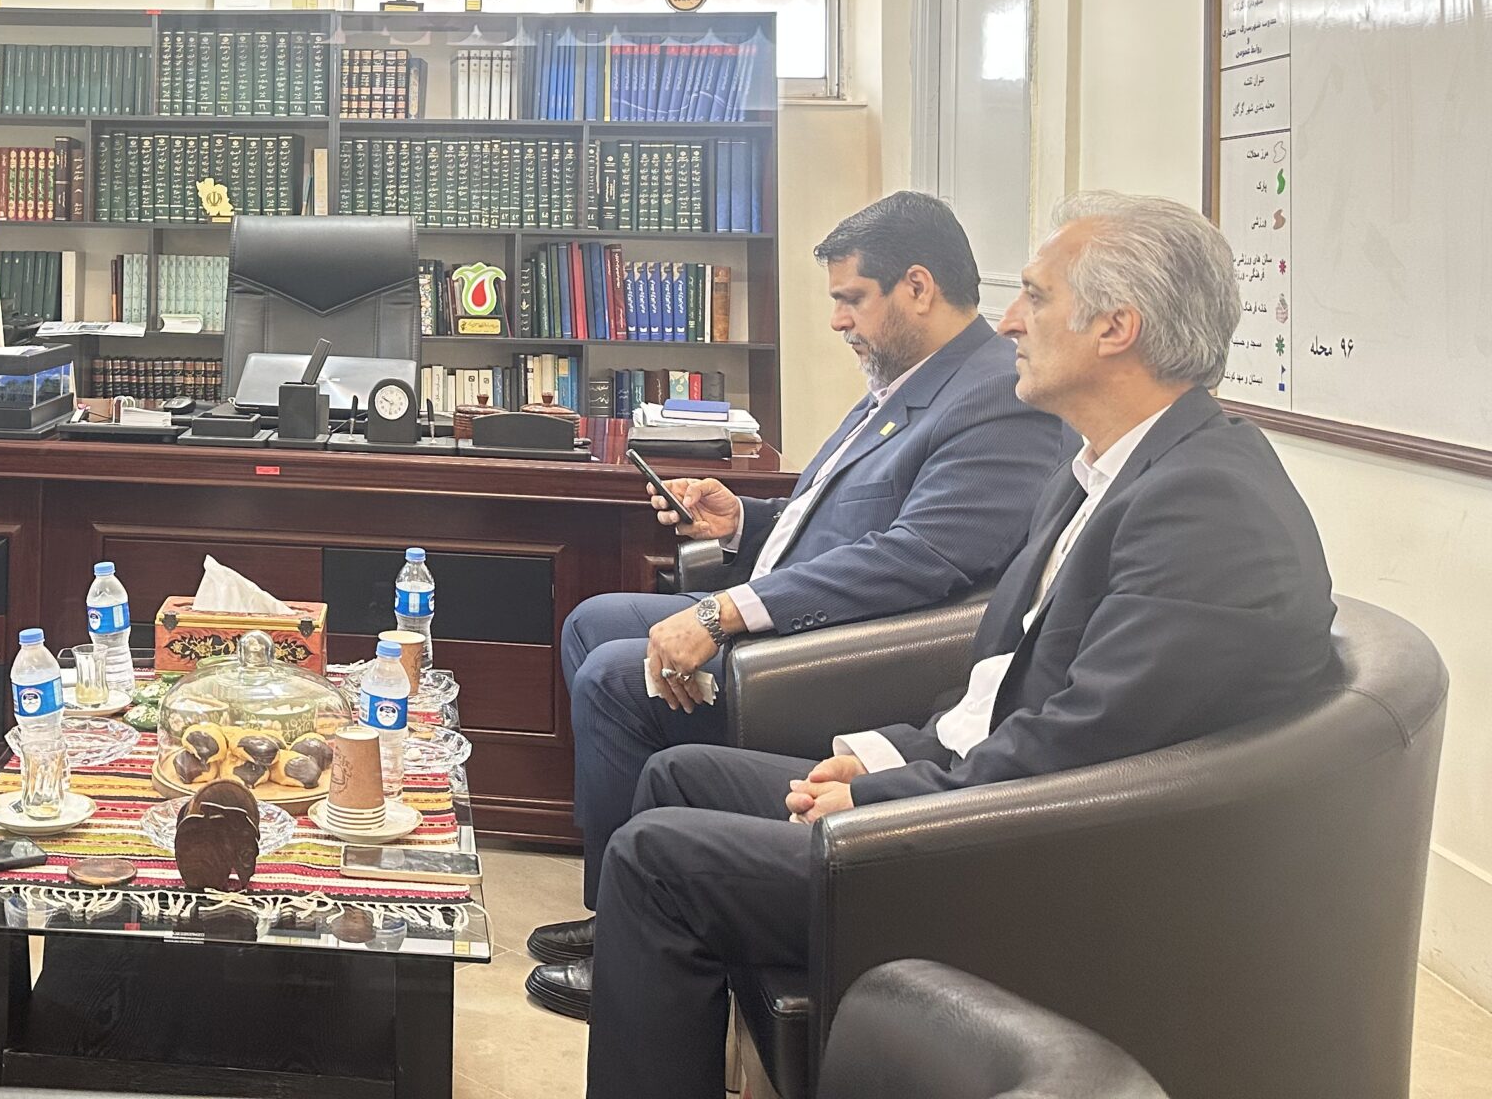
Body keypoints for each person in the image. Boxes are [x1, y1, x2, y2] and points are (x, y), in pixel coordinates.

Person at [583, 192, 1339, 1099]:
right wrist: (879, 757)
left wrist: (884, 799)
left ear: (1117, 328)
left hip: (1024, 869)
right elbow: (1002, 690)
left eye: (1036, 297)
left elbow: (1079, 749)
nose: (1009, 322)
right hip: (984, 799)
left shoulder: (1207, 508)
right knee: (680, 777)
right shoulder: (1107, 470)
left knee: (656, 858)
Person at [530, 191, 1065, 1019]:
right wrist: (743, 522)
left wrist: (725, 613)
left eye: (853, 299)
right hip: (801, 616)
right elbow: (843, 515)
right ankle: (621, 906)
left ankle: (630, 938)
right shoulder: (909, 377)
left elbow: (914, 560)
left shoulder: (994, 399)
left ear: (918, 287)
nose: (838, 320)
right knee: (592, 622)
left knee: (613, 675)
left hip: (835, 661)